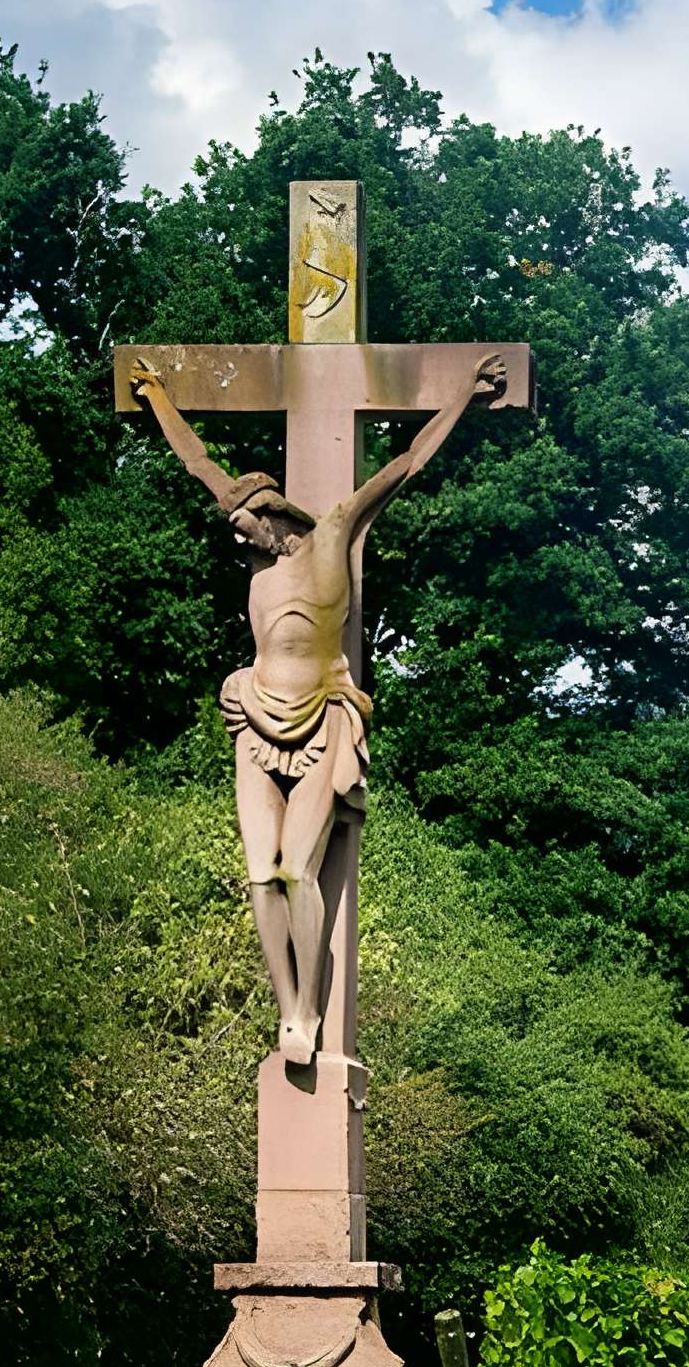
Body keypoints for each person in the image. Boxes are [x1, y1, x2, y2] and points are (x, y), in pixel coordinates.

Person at [129, 348, 507, 1062]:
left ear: (274, 515)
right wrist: (156, 400)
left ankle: (307, 1010)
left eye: (248, 528)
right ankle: (284, 1006)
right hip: (254, 717)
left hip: (320, 723)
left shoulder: (333, 535)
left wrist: (461, 394)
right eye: (237, 532)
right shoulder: (258, 565)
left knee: (297, 869)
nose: (242, 539)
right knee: (258, 874)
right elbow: (200, 467)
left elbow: (405, 466)